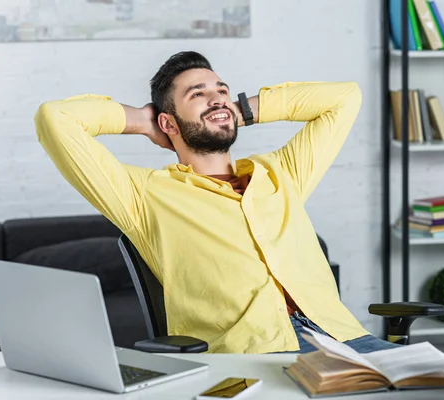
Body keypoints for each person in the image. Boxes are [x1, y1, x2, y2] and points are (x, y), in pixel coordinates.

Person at [34, 51, 397, 354]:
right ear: (169, 123)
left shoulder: (280, 172)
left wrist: (238, 110)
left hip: (349, 341)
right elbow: (56, 118)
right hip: (257, 357)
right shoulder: (144, 194)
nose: (217, 98)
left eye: (221, 90)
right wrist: (145, 122)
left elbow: (344, 97)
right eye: (197, 94)